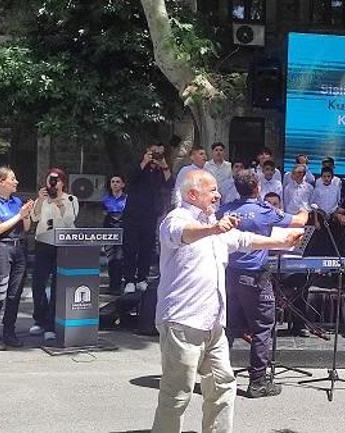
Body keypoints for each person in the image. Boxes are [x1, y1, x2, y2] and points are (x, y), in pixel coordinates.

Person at [151, 170, 300, 433]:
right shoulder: (177, 219)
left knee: (223, 387)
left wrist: (282, 240)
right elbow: (181, 233)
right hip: (182, 322)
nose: (219, 195)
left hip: (214, 325)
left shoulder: (216, 224)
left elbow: (244, 239)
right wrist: (212, 228)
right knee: (177, 394)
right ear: (193, 194)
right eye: (212, 190)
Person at [217, 169, 309, 398]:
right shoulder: (264, 211)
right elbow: (298, 221)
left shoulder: (226, 210)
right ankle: (257, 381)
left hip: (228, 275)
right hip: (255, 277)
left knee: (227, 327)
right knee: (262, 328)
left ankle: (218, 377)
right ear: (257, 187)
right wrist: (306, 208)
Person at [0, 167, 34, 350]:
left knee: (15, 295)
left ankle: (9, 333)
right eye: (12, 179)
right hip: (2, 249)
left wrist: (26, 214)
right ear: (1, 182)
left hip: (19, 249)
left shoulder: (17, 201)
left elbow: (26, 228)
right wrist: (19, 215)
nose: (16, 182)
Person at [29, 168, 80, 342]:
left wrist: (60, 203)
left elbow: (69, 221)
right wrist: (40, 201)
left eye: (56, 180)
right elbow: (34, 218)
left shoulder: (71, 199)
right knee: (38, 283)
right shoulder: (41, 198)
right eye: (50, 180)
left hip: (62, 246)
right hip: (43, 244)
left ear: (62, 182)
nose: (52, 183)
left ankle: (51, 324)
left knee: (57, 285)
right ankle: (39, 319)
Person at [121, 143, 172, 294]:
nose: (156, 155)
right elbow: (130, 180)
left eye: (159, 152)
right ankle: (129, 279)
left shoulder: (159, 169)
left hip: (150, 214)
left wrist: (163, 164)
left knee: (146, 247)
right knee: (130, 248)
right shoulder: (138, 165)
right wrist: (144, 162)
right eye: (153, 152)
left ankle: (142, 278)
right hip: (133, 213)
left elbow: (170, 183)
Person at [102, 175, 127, 294]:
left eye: (118, 181)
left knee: (120, 258)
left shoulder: (127, 199)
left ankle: (119, 284)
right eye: (113, 182)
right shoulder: (105, 199)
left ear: (123, 184)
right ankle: (112, 285)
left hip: (123, 230)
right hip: (109, 231)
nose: (115, 184)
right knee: (111, 259)